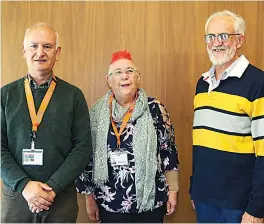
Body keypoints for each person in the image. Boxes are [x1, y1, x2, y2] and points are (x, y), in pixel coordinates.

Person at [1, 22, 92, 222]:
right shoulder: (5, 95)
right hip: (17, 199)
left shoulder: (73, 96)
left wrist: (53, 187)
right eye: (33, 46)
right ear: (24, 51)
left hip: (59, 199)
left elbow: (83, 147)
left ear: (57, 52)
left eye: (47, 46)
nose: (40, 52)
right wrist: (24, 185)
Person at [76, 50, 179, 223]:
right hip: (109, 203)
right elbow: (87, 157)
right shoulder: (95, 114)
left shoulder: (155, 108)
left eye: (130, 71)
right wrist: (89, 197)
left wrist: (173, 190)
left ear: (138, 77)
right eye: (118, 72)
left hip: (151, 202)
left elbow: (168, 149)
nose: (125, 76)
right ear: (109, 81)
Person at [190, 10, 264, 223]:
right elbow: (201, 142)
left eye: (223, 36)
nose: (216, 43)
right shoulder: (202, 84)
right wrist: (195, 186)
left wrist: (257, 208)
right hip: (204, 199)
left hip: (239, 205)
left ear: (239, 40)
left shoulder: (258, 83)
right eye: (210, 37)